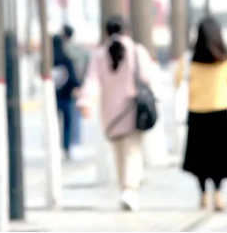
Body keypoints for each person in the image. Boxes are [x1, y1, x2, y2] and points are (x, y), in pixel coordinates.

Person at [77, 15, 153, 212]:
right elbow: (147, 77)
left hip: (111, 113)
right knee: (133, 151)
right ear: (126, 30)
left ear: (106, 32)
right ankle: (129, 189)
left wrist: (86, 102)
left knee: (119, 152)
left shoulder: (99, 54)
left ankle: (125, 189)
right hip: (132, 110)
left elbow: (92, 81)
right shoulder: (137, 50)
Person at [175, 17, 227, 212]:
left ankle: (203, 194)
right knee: (219, 157)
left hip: (196, 114)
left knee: (199, 158)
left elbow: (177, 81)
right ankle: (218, 194)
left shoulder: (188, 60)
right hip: (220, 113)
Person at [52, 34, 80, 159]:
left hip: (52, 98)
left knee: (53, 124)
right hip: (66, 98)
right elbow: (73, 79)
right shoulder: (67, 59)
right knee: (67, 124)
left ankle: (53, 146)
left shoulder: (48, 61)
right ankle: (66, 147)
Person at [61, 24, 89, 146]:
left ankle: (67, 143)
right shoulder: (80, 49)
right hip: (78, 85)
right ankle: (75, 141)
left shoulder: (62, 49)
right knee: (75, 116)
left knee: (66, 118)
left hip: (65, 87)